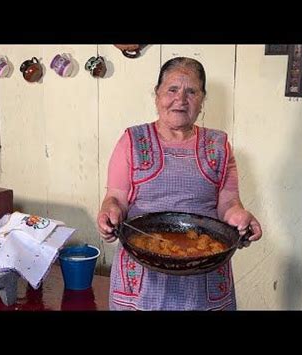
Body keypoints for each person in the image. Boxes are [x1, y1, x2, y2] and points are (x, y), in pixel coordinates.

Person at [97, 56, 262, 310]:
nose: (180, 99)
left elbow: (229, 203)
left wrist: (240, 218)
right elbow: (116, 198)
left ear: (202, 99)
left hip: (203, 276)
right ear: (157, 94)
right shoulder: (132, 140)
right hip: (142, 277)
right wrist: (110, 211)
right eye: (172, 89)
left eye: (191, 91)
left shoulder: (218, 146)